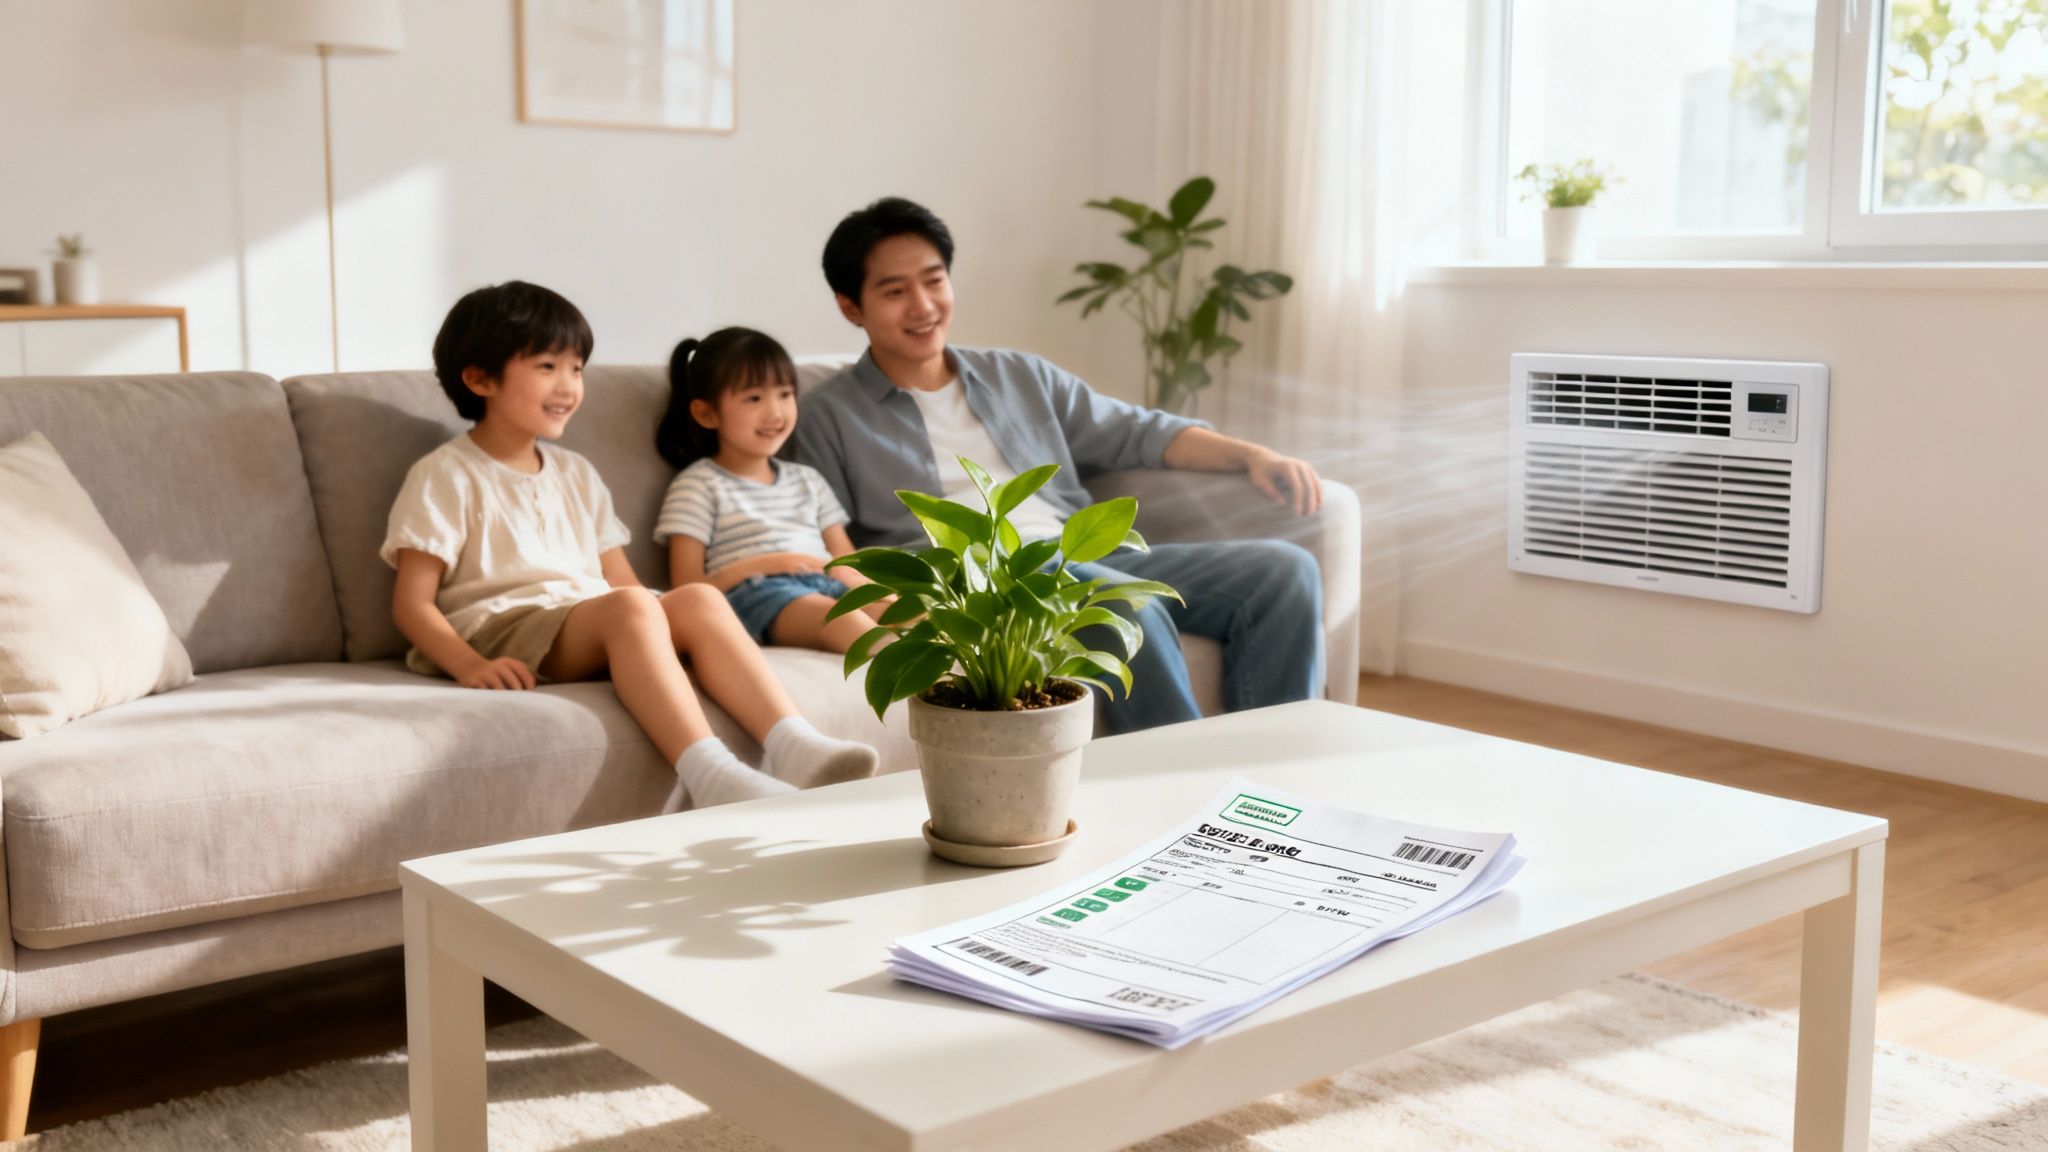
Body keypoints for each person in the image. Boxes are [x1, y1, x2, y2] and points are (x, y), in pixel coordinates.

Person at [793, 198, 1327, 733]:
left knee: (1284, 572)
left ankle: (1276, 769)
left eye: (934, 281)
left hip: (1084, 555)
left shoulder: (1019, 376)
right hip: (977, 589)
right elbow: (816, 532)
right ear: (851, 307)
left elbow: (1137, 431)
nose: (923, 305)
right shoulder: (825, 416)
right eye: (895, 292)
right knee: (1122, 604)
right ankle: (1186, 778)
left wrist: (1252, 455)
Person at [382, 281, 878, 810]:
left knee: (695, 598)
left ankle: (796, 746)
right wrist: (468, 664)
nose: (569, 385)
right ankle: (710, 774)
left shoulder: (576, 472)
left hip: (584, 618)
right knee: (632, 606)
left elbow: (620, 579)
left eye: (577, 368)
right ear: (480, 379)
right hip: (504, 627)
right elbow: (412, 604)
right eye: (548, 367)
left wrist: (671, 619)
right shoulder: (445, 474)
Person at [653, 327, 888, 654]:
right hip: (758, 593)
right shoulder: (698, 485)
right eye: (754, 398)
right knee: (844, 621)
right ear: (706, 413)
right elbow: (688, 588)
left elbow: (846, 560)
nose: (775, 412)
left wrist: (878, 593)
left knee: (912, 614)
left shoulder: (808, 480)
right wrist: (772, 563)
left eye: (785, 394)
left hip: (827, 584)